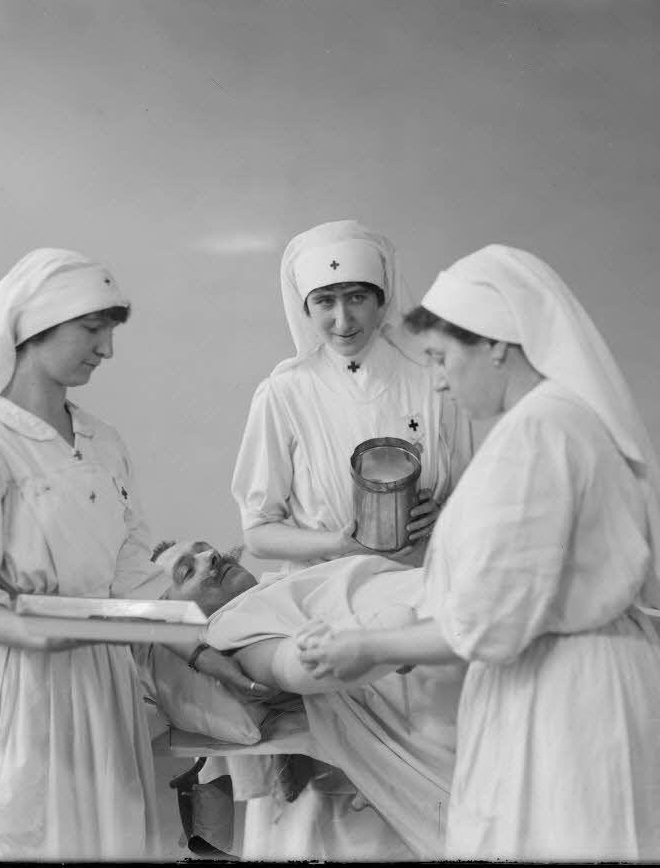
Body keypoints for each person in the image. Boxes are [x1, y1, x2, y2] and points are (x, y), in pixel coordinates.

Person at [298, 244, 660, 861]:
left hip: (567, 703)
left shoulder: (539, 433)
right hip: (583, 685)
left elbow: (488, 625)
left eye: (442, 359)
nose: (437, 380)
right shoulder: (566, 420)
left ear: (497, 344)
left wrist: (364, 647)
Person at [157, 538, 660, 862]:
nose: (204, 556)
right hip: (464, 672)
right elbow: (296, 667)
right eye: (184, 571)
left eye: (193, 546)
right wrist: (386, 637)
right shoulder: (231, 631)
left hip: (498, 630)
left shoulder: (287, 582)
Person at [0, 249, 266, 862]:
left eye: (110, 331)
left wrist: (209, 657)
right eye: (93, 329)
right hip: (21, 693)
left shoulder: (103, 441)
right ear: (34, 326)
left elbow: (136, 580)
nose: (106, 349)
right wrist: (49, 630)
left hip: (104, 691)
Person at [227, 220, 475, 860]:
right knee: (332, 809)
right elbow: (258, 532)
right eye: (325, 303)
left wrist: (440, 518)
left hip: (425, 611)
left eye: (358, 297)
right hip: (328, 610)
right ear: (305, 308)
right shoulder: (286, 392)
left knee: (434, 792)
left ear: (385, 296)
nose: (343, 319)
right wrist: (341, 541)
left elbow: (478, 502)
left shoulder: (431, 378)